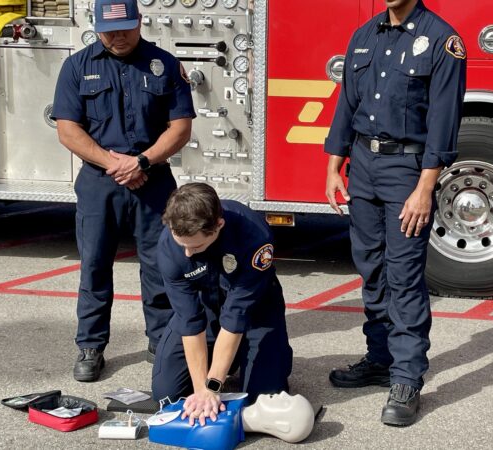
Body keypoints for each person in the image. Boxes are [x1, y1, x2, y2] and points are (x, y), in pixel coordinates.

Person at [323, 0, 466, 427]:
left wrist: (425, 187)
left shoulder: (443, 40)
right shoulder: (364, 36)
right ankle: (380, 359)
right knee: (371, 270)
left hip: (408, 170)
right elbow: (347, 104)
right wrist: (334, 165)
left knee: (403, 276)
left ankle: (406, 379)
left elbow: (444, 119)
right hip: (363, 165)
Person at [51, 0, 194, 382]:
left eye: (126, 28)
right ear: (96, 27)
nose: (118, 36)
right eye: (110, 30)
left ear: (140, 22)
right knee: (95, 266)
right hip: (101, 183)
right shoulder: (77, 66)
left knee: (161, 265)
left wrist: (142, 162)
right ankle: (90, 346)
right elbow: (68, 129)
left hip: (153, 180)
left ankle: (161, 340)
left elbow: (180, 127)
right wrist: (114, 163)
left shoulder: (163, 64)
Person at [151, 183, 293, 426]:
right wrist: (202, 391)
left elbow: (236, 317)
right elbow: (189, 321)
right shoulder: (169, 247)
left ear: (218, 225)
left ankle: (251, 355)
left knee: (261, 398)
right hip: (205, 305)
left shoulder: (254, 237)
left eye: (195, 246)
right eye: (181, 243)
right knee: (167, 394)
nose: (187, 253)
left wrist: (214, 385)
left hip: (255, 307)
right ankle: (226, 359)